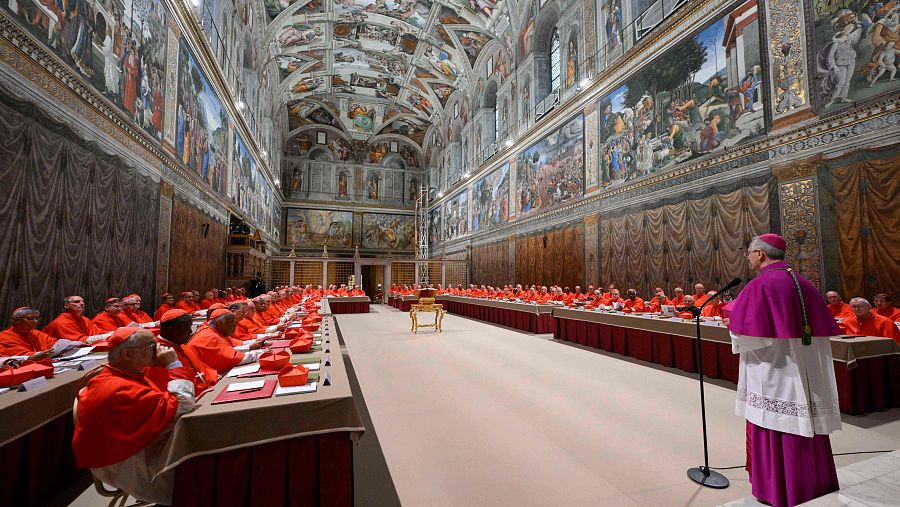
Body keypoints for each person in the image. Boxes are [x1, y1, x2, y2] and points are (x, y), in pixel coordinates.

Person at [726, 234, 841, 506]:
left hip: (776, 371)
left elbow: (749, 336)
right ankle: (814, 481)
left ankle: (779, 488)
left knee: (777, 421)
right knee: (803, 418)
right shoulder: (802, 282)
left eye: (750, 253)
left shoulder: (762, 284)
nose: (749, 258)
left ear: (761, 255)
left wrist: (729, 321)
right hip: (805, 370)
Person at [72, 327, 195, 505]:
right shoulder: (117, 388)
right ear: (128, 355)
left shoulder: (119, 373)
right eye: (152, 346)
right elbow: (182, 404)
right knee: (199, 471)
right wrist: (173, 365)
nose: (160, 349)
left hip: (132, 446)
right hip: (127, 461)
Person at [155, 309, 218, 392]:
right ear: (171, 329)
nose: (191, 331)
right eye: (186, 328)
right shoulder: (159, 355)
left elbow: (198, 368)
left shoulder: (180, 344)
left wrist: (211, 376)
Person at [184, 309, 263, 375]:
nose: (235, 325)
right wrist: (262, 354)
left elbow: (228, 351)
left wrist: (252, 347)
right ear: (219, 324)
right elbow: (233, 358)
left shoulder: (213, 331)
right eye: (232, 322)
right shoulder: (209, 336)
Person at [43, 296, 109, 343]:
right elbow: (78, 341)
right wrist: (110, 335)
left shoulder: (85, 320)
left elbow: (99, 332)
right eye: (76, 302)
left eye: (82, 301)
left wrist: (115, 332)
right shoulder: (61, 322)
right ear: (66, 306)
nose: (82, 303)